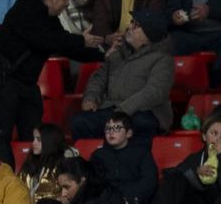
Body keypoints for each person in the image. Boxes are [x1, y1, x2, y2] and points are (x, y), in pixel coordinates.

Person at [0, 0, 104, 141]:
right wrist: (81, 40)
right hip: (7, 84)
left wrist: (102, 55)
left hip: (28, 85)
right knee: (1, 137)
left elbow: (65, 46)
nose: (66, 4)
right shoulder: (26, 7)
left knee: (34, 136)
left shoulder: (50, 18)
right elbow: (44, 40)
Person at [73, 11, 174, 139]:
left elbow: (154, 92)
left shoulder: (163, 59)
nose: (129, 27)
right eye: (132, 22)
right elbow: (99, 79)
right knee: (80, 122)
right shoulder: (117, 52)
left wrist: (123, 110)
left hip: (142, 112)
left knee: (140, 124)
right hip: (112, 109)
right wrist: (90, 98)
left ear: (149, 35)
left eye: (136, 25)